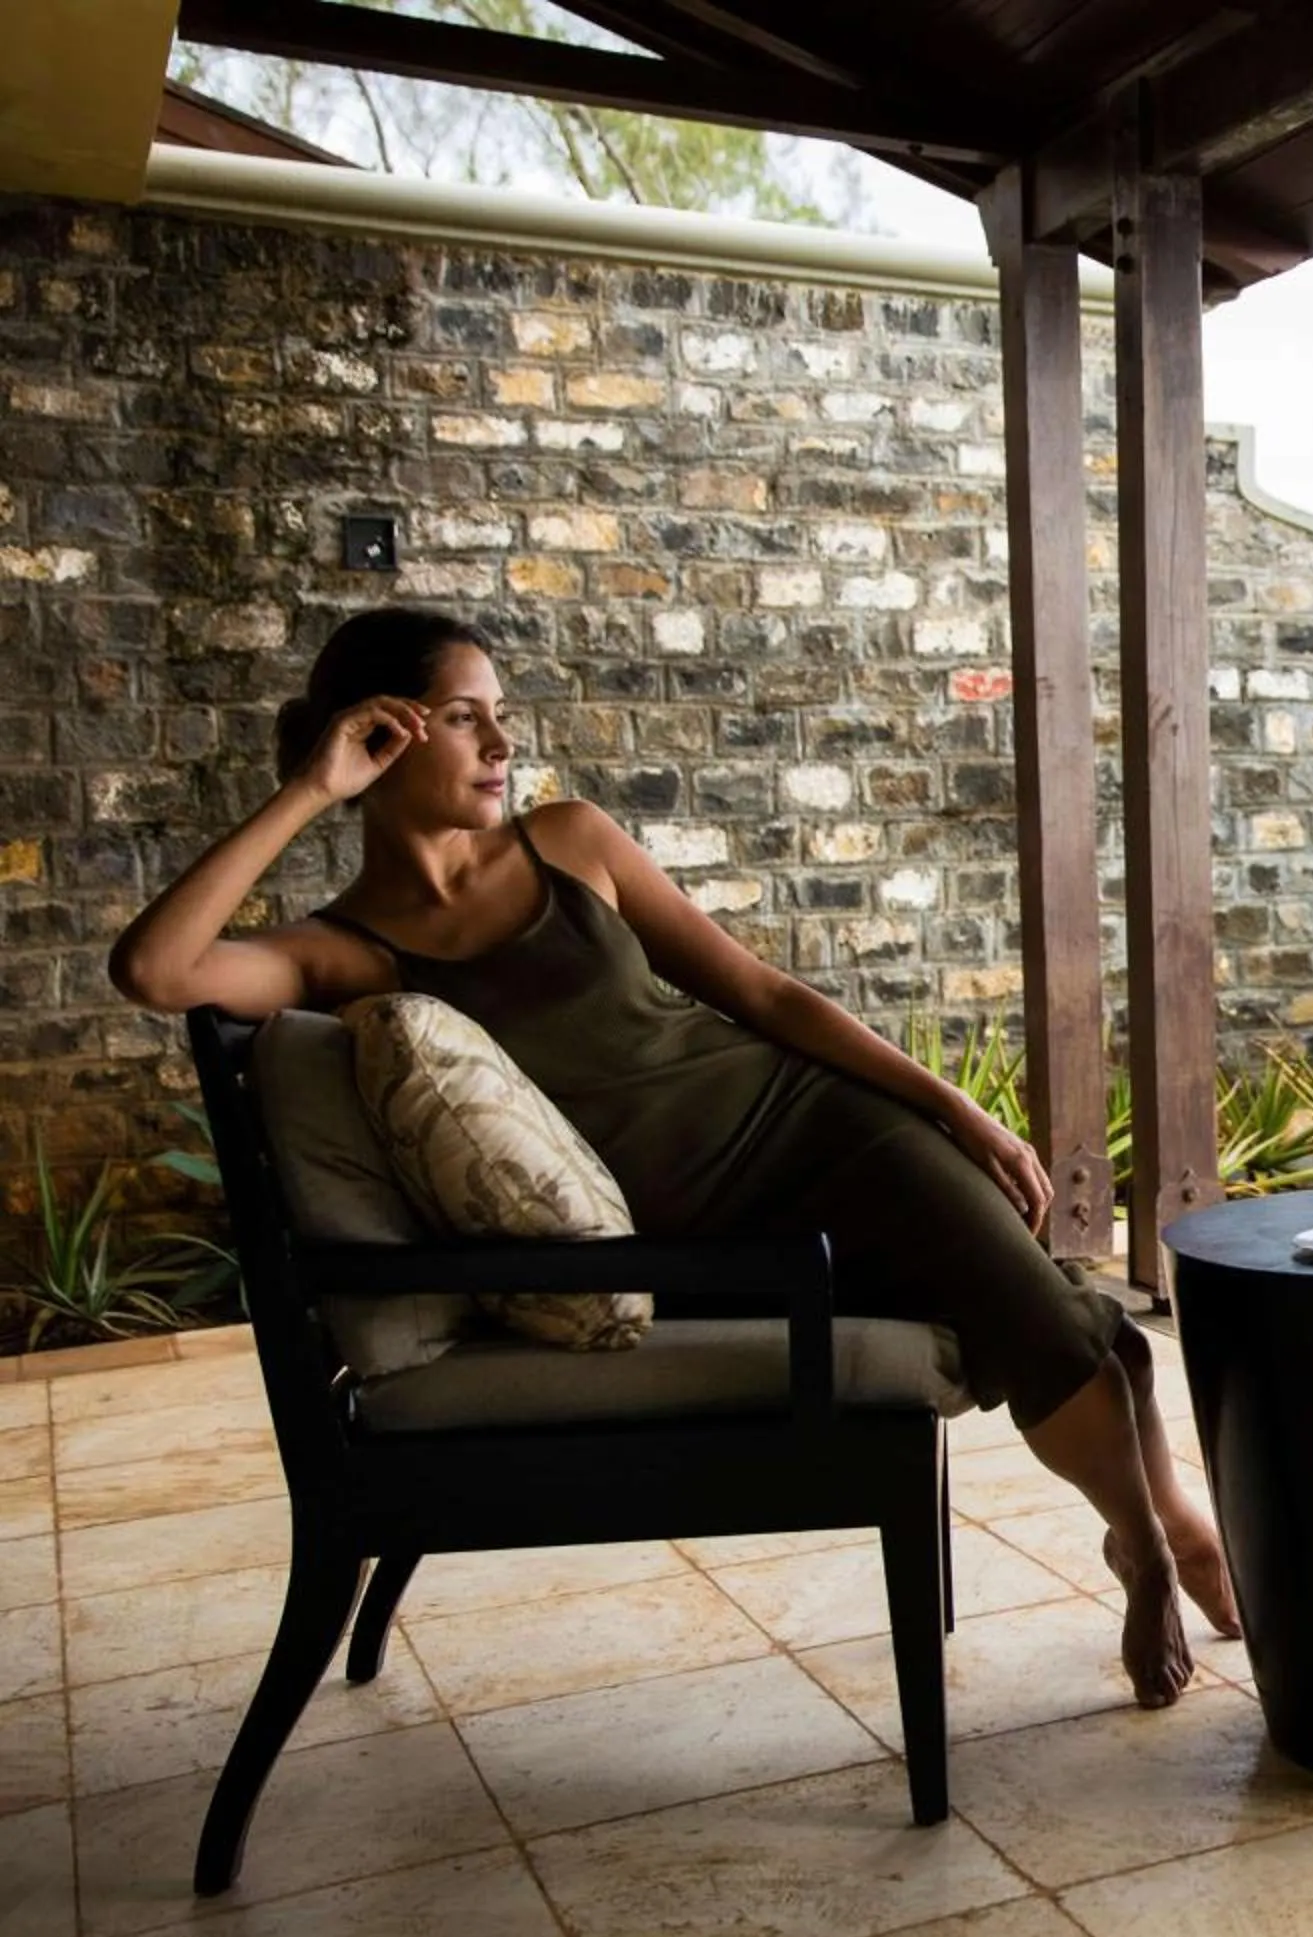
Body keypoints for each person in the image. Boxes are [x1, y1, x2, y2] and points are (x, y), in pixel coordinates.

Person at [110, 606, 1233, 1707]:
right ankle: (1168, 1529)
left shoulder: (571, 840)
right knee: (1050, 1307)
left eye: (501, 714)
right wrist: (309, 790)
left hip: (826, 1129)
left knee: (1032, 1306)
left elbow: (762, 993)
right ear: (378, 733)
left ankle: (1145, 1547)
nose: (503, 744)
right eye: (464, 717)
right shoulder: (341, 952)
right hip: (720, 1241)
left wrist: (956, 1109)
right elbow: (156, 971)